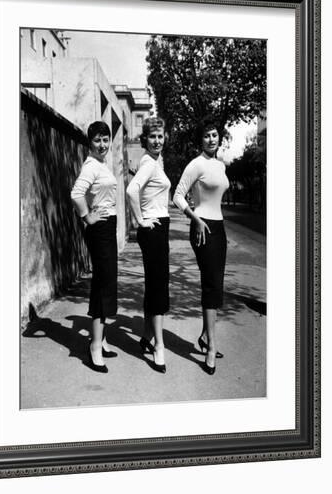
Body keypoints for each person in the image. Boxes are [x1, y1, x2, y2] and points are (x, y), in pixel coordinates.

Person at [173, 122, 229, 375]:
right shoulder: (196, 164)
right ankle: (210, 347)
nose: (211, 139)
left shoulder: (221, 165)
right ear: (200, 140)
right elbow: (178, 196)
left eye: (214, 134)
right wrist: (195, 218)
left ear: (220, 137)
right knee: (210, 284)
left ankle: (206, 337)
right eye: (206, 135)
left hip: (219, 229)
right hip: (201, 228)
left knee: (217, 284)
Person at [71, 121, 118, 373]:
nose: (103, 145)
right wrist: (87, 217)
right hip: (99, 229)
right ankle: (95, 347)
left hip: (107, 226)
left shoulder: (101, 164)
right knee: (102, 284)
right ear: (90, 142)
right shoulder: (91, 166)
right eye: (98, 140)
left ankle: (101, 338)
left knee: (107, 282)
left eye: (106, 139)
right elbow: (76, 194)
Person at [126, 117, 171, 373]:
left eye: (160, 136)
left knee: (155, 284)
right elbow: (132, 190)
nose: (157, 141)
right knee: (158, 288)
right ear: (146, 139)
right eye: (153, 136)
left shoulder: (155, 162)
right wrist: (141, 221)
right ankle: (159, 347)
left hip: (158, 227)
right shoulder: (148, 163)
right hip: (152, 229)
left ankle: (146, 336)